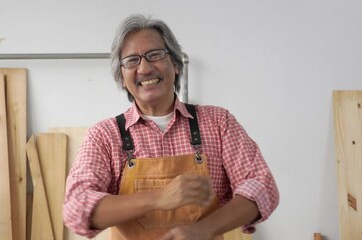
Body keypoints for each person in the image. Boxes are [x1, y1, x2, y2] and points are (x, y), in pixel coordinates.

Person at [63, 14, 279, 240]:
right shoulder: (105, 136)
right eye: (132, 60)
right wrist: (159, 198)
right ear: (121, 77)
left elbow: (262, 186)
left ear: (175, 64)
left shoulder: (218, 122)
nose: (145, 68)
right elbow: (76, 208)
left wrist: (204, 229)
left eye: (155, 55)